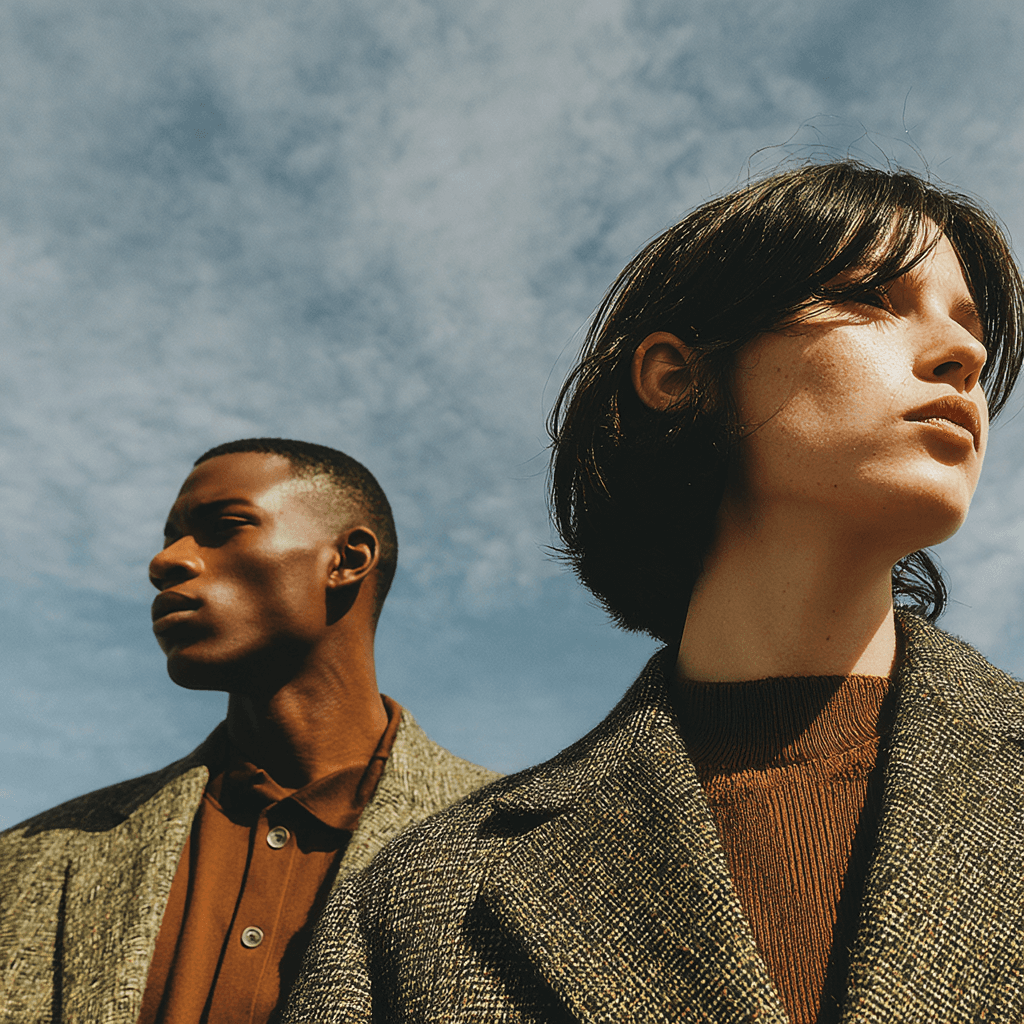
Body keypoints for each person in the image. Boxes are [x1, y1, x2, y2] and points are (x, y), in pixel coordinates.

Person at [285, 161, 1024, 1024]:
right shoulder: (422, 903)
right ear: (678, 376)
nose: (965, 353)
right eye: (871, 296)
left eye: (970, 326)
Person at [0, 437, 499, 1024]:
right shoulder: (26, 862)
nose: (166, 562)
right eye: (171, 537)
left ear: (346, 559)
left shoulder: (529, 849)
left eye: (223, 527)